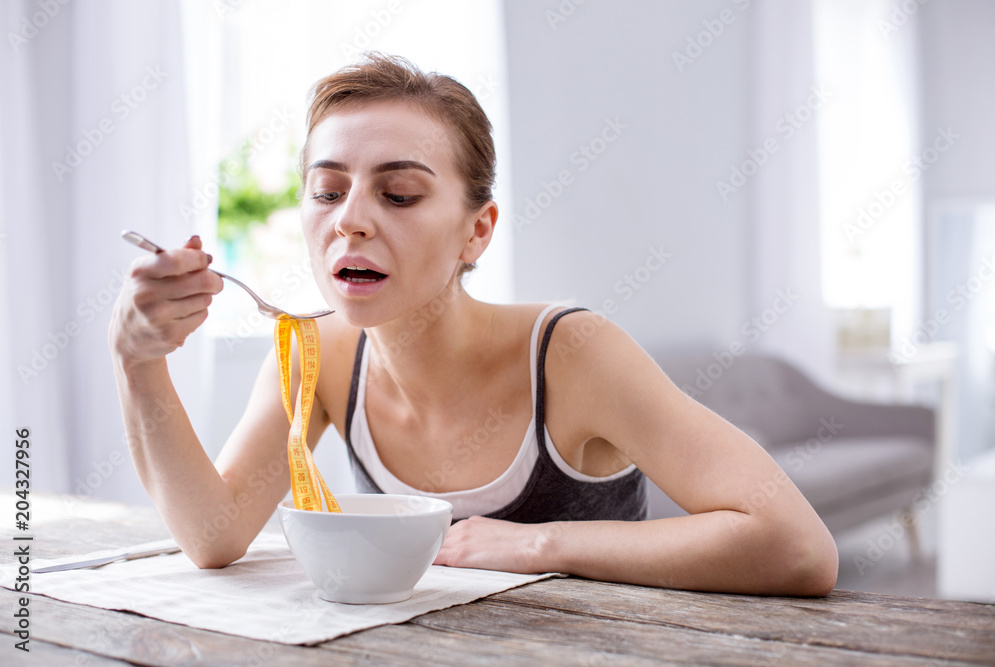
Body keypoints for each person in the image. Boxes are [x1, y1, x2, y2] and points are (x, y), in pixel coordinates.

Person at [109, 52, 838, 596]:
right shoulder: (316, 355)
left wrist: (542, 543)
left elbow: (797, 546)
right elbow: (212, 534)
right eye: (327, 190)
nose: (350, 221)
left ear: (476, 231)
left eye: (398, 195)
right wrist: (139, 363)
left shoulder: (573, 353)